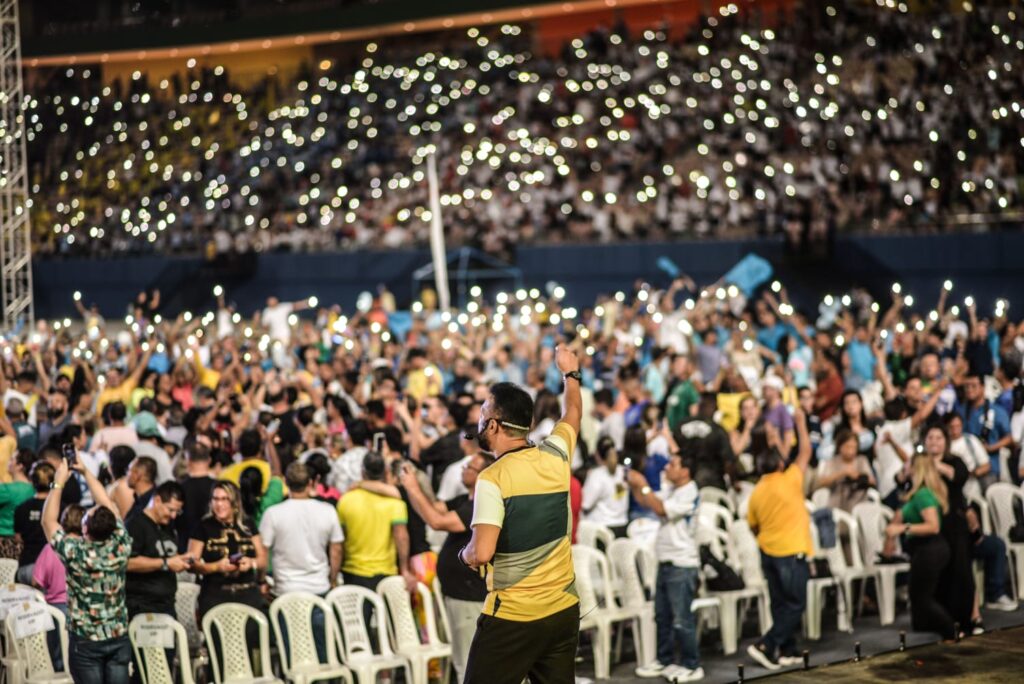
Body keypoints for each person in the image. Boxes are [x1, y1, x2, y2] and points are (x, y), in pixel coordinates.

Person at [461, 345, 581, 684]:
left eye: (483, 415)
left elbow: (481, 552)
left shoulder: (492, 479)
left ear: (494, 425)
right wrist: (570, 373)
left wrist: (464, 554)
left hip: (514, 616)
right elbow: (572, 412)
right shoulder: (557, 455)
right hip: (563, 608)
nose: (479, 422)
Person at [398, 451, 494, 682]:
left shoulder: (479, 505)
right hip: (458, 593)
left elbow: (437, 521)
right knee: (462, 659)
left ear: (482, 475)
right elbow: (432, 507)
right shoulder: (464, 500)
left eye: (469, 467)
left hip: (469, 596)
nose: (463, 469)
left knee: (468, 663)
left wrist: (412, 488)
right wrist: (416, 483)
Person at [42, 456, 133, 683]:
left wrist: (58, 482)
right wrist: (86, 472)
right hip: (117, 635)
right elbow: (108, 504)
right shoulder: (121, 545)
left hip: (86, 640)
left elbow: (48, 521)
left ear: (85, 529)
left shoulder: (76, 552)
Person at [745, 407, 813, 671]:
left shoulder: (757, 491)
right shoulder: (789, 480)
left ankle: (786, 649)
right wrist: (801, 424)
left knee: (781, 604)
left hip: (767, 552)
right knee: (796, 604)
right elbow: (805, 451)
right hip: (791, 552)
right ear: (781, 465)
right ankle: (766, 644)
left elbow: (753, 526)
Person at [629, 453, 703, 683]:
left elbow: (660, 509)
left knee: (682, 620)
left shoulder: (690, 491)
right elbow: (647, 502)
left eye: (673, 464)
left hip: (682, 563)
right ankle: (664, 660)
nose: (667, 467)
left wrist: (643, 484)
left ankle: (692, 665)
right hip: (665, 561)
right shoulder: (672, 489)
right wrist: (634, 484)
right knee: (662, 617)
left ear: (685, 471)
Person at [260, 462, 343, 661]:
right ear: (311, 483)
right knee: (324, 655)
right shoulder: (327, 511)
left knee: (293, 657)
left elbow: (263, 552)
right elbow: (336, 549)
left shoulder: (273, 514)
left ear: (286, 483)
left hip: (286, 591)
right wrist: (332, 578)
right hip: (319, 589)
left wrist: (261, 580)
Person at [883, 451, 955, 639]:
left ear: (916, 468)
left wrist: (902, 528)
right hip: (925, 550)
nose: (905, 466)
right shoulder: (917, 494)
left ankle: (952, 632)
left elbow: (933, 526)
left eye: (908, 464)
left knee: (921, 598)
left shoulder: (923, 494)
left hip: (930, 549)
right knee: (919, 601)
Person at [335, 451, 416, 592]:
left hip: (353, 572)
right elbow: (401, 537)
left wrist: (334, 575)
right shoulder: (395, 503)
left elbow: (340, 540)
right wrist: (404, 569)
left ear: (362, 472)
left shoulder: (346, 500)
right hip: (386, 574)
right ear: (385, 472)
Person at [187, 481, 268, 618]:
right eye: (216, 499)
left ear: (235, 502)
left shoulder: (248, 524)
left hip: (248, 592)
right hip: (215, 593)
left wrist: (251, 563)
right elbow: (190, 564)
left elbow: (262, 560)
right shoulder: (203, 526)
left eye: (225, 499)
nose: (219, 504)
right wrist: (216, 567)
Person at [125, 481, 189, 620]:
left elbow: (166, 555)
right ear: (157, 500)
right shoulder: (135, 525)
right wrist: (165, 563)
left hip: (167, 604)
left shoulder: (167, 525)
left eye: (177, 511)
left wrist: (181, 560)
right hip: (142, 606)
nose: (173, 516)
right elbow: (128, 562)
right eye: (170, 510)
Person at [14, 461, 55, 584]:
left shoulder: (21, 508)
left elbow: (18, 538)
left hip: (26, 566)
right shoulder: (60, 508)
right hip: (50, 568)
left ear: (32, 481)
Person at [815, 429, 876, 512]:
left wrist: (859, 477)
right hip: (836, 506)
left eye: (854, 447)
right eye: (848, 447)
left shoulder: (862, 460)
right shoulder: (832, 461)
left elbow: (872, 480)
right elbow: (821, 482)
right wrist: (843, 473)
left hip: (859, 505)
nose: (851, 451)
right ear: (840, 446)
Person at [581, 436, 629, 536]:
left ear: (597, 455)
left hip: (602, 529)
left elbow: (585, 504)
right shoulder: (624, 471)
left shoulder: (596, 475)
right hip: (622, 525)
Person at [176, 438, 216, 552]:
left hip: (186, 549)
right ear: (209, 460)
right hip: (213, 548)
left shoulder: (179, 489)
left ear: (188, 461)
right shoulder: (219, 488)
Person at [0, 449, 36, 559]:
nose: (8, 462)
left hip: (4, 542)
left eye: (12, 460)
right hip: (24, 544)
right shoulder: (34, 489)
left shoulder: (7, 490)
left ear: (20, 466)